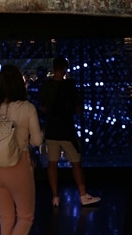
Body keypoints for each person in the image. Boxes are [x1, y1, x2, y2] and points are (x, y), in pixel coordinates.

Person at [0, 64, 43, 235]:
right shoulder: (27, 108)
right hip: (18, 166)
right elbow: (37, 141)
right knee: (25, 217)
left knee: (6, 218)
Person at [39, 56, 101, 207]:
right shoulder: (70, 86)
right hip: (67, 129)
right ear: (65, 68)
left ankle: (55, 197)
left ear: (53, 68)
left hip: (52, 129)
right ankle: (83, 195)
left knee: (52, 163)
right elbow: (78, 107)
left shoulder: (46, 87)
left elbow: (43, 108)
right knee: (76, 163)